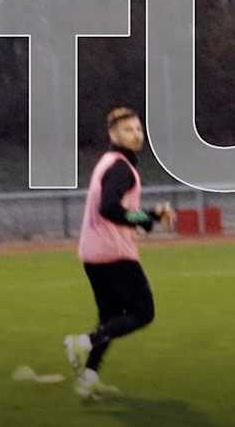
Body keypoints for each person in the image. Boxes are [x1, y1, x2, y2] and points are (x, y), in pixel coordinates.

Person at [63, 108, 174, 399]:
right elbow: (110, 209)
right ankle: (83, 342)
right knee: (143, 313)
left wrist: (149, 217)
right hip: (114, 254)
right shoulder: (122, 167)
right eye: (129, 130)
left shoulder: (109, 162)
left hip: (93, 253)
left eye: (138, 129)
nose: (136, 134)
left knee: (110, 318)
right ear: (113, 134)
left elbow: (121, 211)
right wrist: (148, 216)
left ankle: (88, 378)